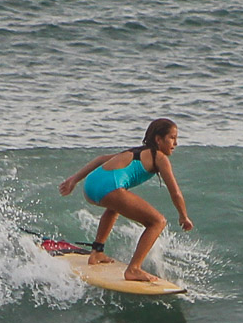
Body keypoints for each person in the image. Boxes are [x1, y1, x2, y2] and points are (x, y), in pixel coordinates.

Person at [59, 118, 193, 283]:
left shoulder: (136, 151)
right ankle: (133, 269)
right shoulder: (159, 157)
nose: (176, 143)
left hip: (91, 186)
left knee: (115, 207)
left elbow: (101, 159)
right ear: (158, 139)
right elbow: (176, 193)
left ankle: (96, 252)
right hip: (109, 187)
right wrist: (183, 216)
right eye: (172, 138)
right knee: (158, 222)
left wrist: (74, 180)